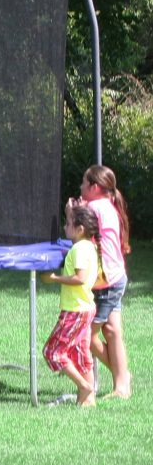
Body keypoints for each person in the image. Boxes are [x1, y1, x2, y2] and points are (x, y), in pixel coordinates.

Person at [76, 164, 132, 398]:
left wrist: (74, 211)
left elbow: (78, 233)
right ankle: (122, 385)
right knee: (112, 331)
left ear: (94, 187)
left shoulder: (94, 207)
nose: (80, 187)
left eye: (83, 183)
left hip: (107, 281)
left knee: (86, 334)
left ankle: (123, 378)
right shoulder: (108, 205)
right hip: (115, 277)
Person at [41, 204, 101, 407]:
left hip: (75, 310)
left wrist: (54, 278)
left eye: (68, 224)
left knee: (53, 351)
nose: (65, 227)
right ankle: (88, 400)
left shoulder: (79, 249)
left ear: (80, 229)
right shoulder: (89, 246)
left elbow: (80, 278)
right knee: (81, 352)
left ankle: (84, 386)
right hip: (85, 308)